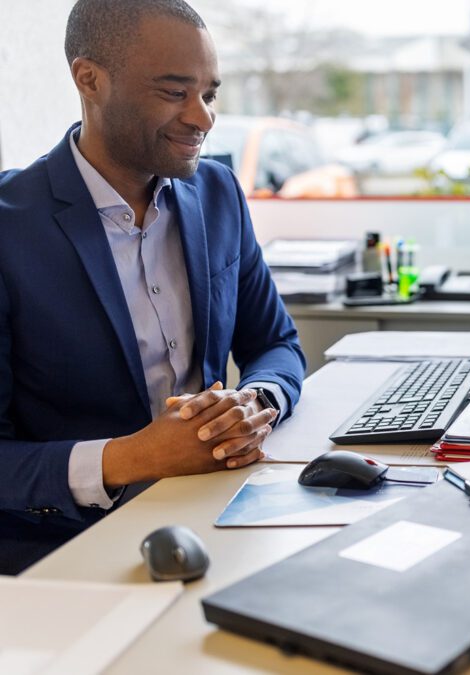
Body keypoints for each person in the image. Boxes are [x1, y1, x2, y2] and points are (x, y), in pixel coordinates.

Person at [0, 0, 306, 573]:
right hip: (65, 549)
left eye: (209, 95)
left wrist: (254, 404)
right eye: (174, 92)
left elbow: (276, 345)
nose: (203, 118)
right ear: (89, 80)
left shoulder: (217, 194)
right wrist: (131, 457)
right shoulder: (10, 225)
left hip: (216, 509)